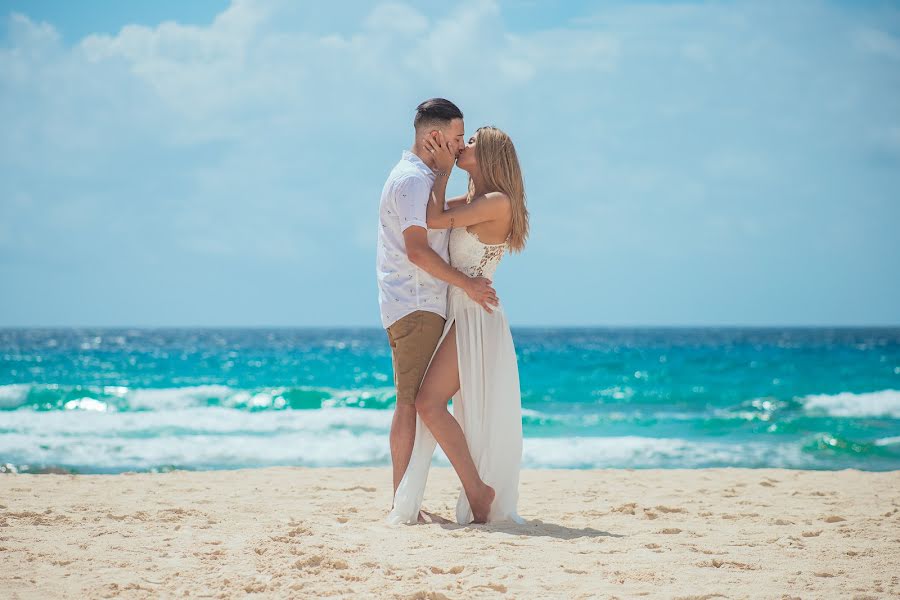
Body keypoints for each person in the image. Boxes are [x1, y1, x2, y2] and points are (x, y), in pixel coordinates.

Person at [387, 125, 530, 525]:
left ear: (487, 156)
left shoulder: (498, 202)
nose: (462, 146)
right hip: (462, 311)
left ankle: (478, 491)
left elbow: (433, 218)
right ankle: (476, 490)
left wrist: (444, 166)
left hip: (474, 316)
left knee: (428, 403)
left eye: (470, 143)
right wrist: (437, 171)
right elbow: (432, 217)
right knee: (430, 403)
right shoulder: (475, 200)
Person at [376, 99, 499, 523]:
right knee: (411, 403)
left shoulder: (427, 179)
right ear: (435, 137)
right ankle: (403, 504)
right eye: (456, 137)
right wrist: (466, 283)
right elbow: (416, 250)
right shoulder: (413, 180)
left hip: (424, 305)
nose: (461, 144)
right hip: (417, 304)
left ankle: (411, 501)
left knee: (416, 402)